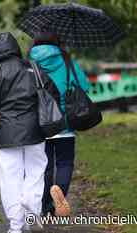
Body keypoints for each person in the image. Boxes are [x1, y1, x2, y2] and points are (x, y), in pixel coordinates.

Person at [0, 32, 48, 233]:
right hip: (35, 130)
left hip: (8, 133)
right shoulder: (33, 68)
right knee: (36, 172)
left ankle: (16, 226)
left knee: (10, 179)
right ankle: (31, 209)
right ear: (16, 48)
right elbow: (51, 94)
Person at [29, 32, 90, 216]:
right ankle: (60, 193)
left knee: (44, 166)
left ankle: (46, 207)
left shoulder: (29, 63)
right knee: (65, 162)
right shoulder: (67, 61)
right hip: (65, 122)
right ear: (57, 42)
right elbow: (84, 86)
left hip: (41, 122)